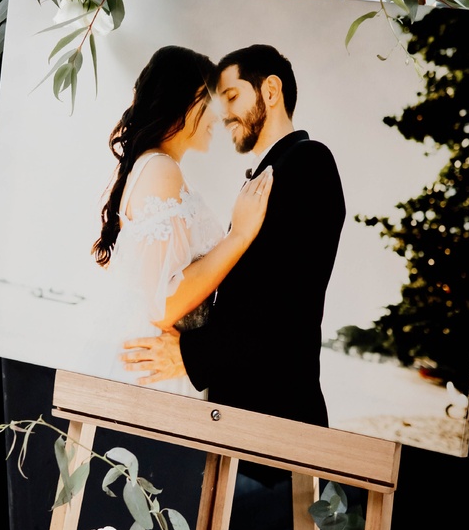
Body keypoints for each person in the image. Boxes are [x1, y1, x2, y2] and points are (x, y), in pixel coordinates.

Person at [121, 44, 345, 426]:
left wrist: (191, 356)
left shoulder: (309, 162)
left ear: (270, 91)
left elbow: (286, 302)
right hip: (238, 406)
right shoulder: (271, 172)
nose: (222, 113)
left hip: (276, 408)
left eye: (231, 96)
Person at [84, 45, 272, 397]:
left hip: (160, 361)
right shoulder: (160, 169)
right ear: (180, 102)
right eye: (210, 101)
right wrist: (240, 235)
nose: (219, 116)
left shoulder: (157, 167)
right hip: (156, 370)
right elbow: (162, 304)